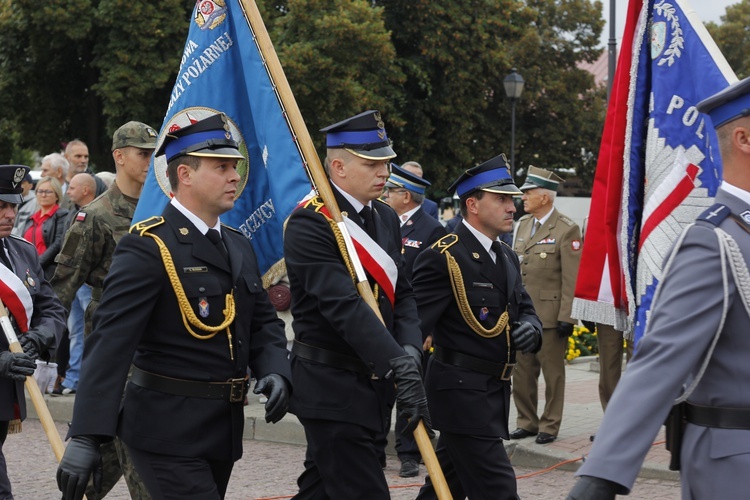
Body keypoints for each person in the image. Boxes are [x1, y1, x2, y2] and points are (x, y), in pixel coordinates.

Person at [56, 112, 292, 500]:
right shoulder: (148, 247)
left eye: (235, 166)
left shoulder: (238, 244)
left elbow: (262, 324)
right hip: (165, 431)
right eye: (222, 167)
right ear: (185, 174)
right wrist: (85, 434)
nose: (235, 176)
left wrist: (276, 370)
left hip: (221, 431)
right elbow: (110, 344)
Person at [566, 77, 750, 500]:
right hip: (735, 462)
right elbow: (661, 358)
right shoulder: (715, 240)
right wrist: (602, 476)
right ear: (743, 137)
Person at [284, 110, 430, 499]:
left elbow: (405, 292)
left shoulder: (385, 216)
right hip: (330, 386)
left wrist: (411, 349)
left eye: (386, 162)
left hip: (372, 387)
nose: (384, 171)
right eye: (372, 163)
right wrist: (395, 359)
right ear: (338, 166)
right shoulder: (311, 222)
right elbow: (341, 304)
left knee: (321, 490)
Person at [411, 155, 542, 499]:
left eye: (512, 199)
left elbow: (524, 307)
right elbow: (413, 325)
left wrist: (532, 326)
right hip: (460, 395)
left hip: (492, 393)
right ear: (472, 204)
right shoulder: (444, 256)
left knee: (444, 486)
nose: (512, 207)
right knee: (498, 488)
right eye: (501, 199)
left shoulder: (507, 255)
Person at [51, 121, 157, 498]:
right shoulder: (96, 215)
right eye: (143, 153)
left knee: (116, 451)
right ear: (119, 156)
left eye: (153, 153)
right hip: (112, 346)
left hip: (153, 344)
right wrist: (45, 345)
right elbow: (64, 285)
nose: (150, 160)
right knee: (94, 459)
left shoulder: (161, 209)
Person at [0, 164, 67, 500]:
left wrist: (41, 337)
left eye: (13, 205)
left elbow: (52, 308)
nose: (9, 214)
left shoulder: (22, 251)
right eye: (1, 206)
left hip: (7, 389)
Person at [382, 162, 446, 478]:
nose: (385, 194)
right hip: (383, 320)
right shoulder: (383, 221)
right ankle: (376, 447)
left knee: (410, 391)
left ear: (405, 196)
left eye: (390, 191)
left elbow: (434, 288)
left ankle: (410, 453)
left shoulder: (432, 230)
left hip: (415, 325)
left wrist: (428, 329)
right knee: (380, 387)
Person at [509, 166, 582, 445]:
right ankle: (527, 421)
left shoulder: (567, 228)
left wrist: (568, 316)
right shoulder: (523, 225)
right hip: (524, 315)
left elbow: (571, 277)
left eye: (528, 192)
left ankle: (549, 425)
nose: (523, 197)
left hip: (551, 317)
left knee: (553, 375)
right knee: (523, 372)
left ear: (545, 197)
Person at [50, 173, 98, 397]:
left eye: (73, 188)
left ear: (86, 190)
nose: (68, 191)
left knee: (92, 330)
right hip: (74, 282)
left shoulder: (99, 213)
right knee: (76, 332)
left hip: (89, 282)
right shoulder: (73, 213)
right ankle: (73, 378)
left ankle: (89, 378)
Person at [21, 176, 69, 280]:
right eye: (40, 191)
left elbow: (57, 244)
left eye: (48, 192)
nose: (43, 195)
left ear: (57, 195)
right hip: (28, 271)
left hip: (48, 273)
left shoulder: (62, 215)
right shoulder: (31, 219)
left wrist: (37, 265)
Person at [11, 172, 36, 237]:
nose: (19, 185)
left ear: (30, 186)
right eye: (17, 183)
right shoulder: (11, 200)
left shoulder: (35, 202)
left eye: (22, 183)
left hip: (22, 240)